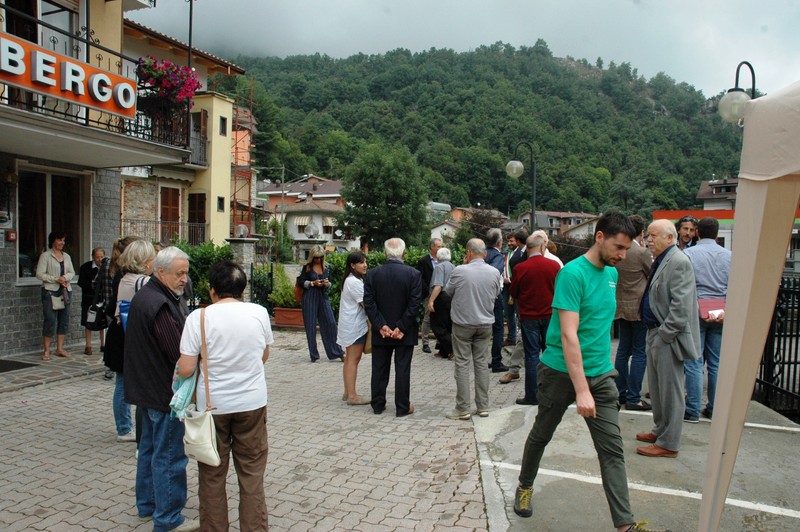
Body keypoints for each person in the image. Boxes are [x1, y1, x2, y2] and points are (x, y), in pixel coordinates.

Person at [512, 212, 642, 532]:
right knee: (542, 433)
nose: (622, 255)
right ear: (599, 237)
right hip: (560, 372)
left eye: (626, 249)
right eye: (618, 247)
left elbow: (597, 328)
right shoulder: (572, 274)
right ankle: (524, 487)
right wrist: (581, 389)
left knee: (612, 450)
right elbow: (569, 335)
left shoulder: (612, 273)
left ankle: (624, 524)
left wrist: (594, 381)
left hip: (600, 372)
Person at [178, 260, 272, 531]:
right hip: (252, 402)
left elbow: (185, 368)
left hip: (212, 406)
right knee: (252, 473)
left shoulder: (199, 317)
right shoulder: (259, 313)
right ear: (242, 288)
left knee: (211, 475)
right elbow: (263, 355)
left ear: (211, 291)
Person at [124, 246, 198, 532]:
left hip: (147, 388)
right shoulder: (160, 303)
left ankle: (147, 505)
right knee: (168, 456)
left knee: (149, 449)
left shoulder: (149, 296)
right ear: (160, 271)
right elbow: (177, 353)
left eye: (186, 273)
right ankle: (167, 517)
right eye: (179, 274)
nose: (184, 279)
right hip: (162, 393)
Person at [636, 219, 701, 458]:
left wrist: (663, 335)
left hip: (666, 336)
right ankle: (660, 431)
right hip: (655, 332)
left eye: (654, 236)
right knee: (657, 388)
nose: (648, 240)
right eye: (648, 235)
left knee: (670, 390)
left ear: (670, 238)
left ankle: (669, 443)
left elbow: (681, 308)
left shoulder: (679, 262)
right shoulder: (663, 260)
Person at [444, 238, 502, 420]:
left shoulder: (459, 270)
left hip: (463, 324)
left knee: (462, 363)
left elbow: (447, 291)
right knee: (481, 364)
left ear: (468, 253)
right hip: (485, 324)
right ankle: (483, 406)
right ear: (484, 253)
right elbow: (497, 293)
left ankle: (462, 408)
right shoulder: (494, 272)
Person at [364, 238, 422, 417]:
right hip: (404, 332)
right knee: (403, 369)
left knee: (379, 368)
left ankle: (378, 404)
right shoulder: (414, 274)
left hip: (382, 331)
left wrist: (381, 326)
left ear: (385, 253)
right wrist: (401, 327)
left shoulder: (373, 274)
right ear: (404, 253)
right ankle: (402, 407)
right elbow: (414, 304)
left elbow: (369, 302)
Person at [499, 229, 562, 384]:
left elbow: (514, 291)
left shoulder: (521, 267)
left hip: (528, 316)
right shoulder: (555, 265)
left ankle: (532, 393)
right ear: (542, 246)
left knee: (531, 354)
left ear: (527, 248)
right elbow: (561, 288)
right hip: (549, 314)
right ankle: (548, 388)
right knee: (548, 351)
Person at [684, 217, 731, 421]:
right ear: (717, 233)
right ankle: (714, 408)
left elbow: (685, 284)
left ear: (697, 233)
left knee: (694, 361)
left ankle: (692, 409)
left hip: (696, 309)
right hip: (720, 310)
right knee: (716, 362)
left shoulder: (688, 254)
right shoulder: (729, 256)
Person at [109, 239, 155, 443]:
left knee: (122, 381)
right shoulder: (142, 281)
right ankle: (126, 428)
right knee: (129, 383)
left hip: (120, 333)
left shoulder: (124, 277)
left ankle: (124, 426)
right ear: (144, 260)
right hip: (131, 336)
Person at [614, 215, 652, 411]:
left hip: (620, 305)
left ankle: (620, 392)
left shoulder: (620, 250)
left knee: (622, 351)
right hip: (638, 307)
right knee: (639, 353)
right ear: (642, 232)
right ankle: (634, 396)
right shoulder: (642, 252)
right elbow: (652, 274)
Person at [299, 245, 344, 362]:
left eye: (320, 258)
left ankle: (337, 352)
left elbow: (331, 283)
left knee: (331, 323)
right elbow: (301, 281)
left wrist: (326, 284)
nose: (318, 260)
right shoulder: (307, 267)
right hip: (309, 297)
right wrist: (312, 283)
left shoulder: (327, 267)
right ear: (312, 257)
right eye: (315, 258)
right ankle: (314, 355)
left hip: (323, 296)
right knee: (310, 326)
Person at [337, 251, 371, 405]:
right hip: (355, 326)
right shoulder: (354, 282)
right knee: (353, 359)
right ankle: (352, 395)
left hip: (350, 324)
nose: (365, 265)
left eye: (365, 262)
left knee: (350, 359)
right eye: (361, 262)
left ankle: (347, 391)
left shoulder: (351, 280)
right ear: (352, 265)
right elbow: (365, 304)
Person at [36, 231, 75, 360]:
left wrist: (64, 277)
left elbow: (72, 272)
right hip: (50, 291)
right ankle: (46, 350)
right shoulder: (46, 256)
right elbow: (39, 274)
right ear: (53, 241)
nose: (62, 243)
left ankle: (60, 348)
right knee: (50, 320)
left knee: (64, 320)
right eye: (59, 240)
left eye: (63, 240)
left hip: (65, 290)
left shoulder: (67, 256)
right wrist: (55, 279)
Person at [484, 228, 509, 373]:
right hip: (494, 295)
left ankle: (482, 358)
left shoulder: (482, 254)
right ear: (499, 242)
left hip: (480, 294)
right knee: (498, 329)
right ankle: (496, 361)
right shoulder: (498, 256)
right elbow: (494, 273)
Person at [427, 247, 455, 359]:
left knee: (437, 326)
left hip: (441, 298)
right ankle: (444, 351)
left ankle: (453, 347)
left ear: (438, 257)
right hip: (452, 298)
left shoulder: (439, 267)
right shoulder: (454, 267)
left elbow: (438, 285)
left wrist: (431, 301)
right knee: (448, 325)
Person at [78, 247, 106, 355]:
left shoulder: (105, 267)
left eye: (101, 257)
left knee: (103, 322)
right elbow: (81, 283)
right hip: (89, 298)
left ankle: (103, 344)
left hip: (101, 297)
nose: (99, 259)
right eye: (97, 257)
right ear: (93, 257)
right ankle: (88, 346)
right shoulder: (85, 267)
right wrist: (93, 285)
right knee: (88, 321)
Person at [502, 229, 528, 346]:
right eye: (508, 241)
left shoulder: (523, 253)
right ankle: (511, 337)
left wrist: (511, 280)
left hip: (517, 287)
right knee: (509, 313)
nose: (509, 243)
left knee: (519, 313)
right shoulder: (507, 254)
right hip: (507, 288)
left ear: (517, 241)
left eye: (512, 241)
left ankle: (519, 338)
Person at [416, 238, 442, 354]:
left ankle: (439, 341)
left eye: (441, 246)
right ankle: (425, 343)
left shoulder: (442, 261)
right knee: (427, 318)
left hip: (441, 293)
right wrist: (427, 291)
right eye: (438, 246)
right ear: (432, 247)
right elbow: (420, 278)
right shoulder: (423, 261)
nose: (440, 248)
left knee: (441, 317)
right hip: (429, 293)